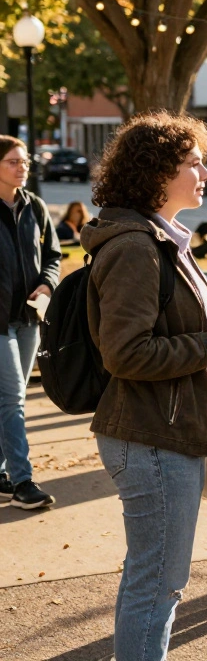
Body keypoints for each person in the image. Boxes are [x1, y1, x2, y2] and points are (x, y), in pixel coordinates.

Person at [82, 112, 207, 660]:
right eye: (193, 163)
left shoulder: (162, 240)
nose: (205, 171)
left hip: (165, 428)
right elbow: (126, 352)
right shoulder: (137, 247)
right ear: (157, 173)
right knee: (157, 584)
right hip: (150, 438)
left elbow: (166, 333)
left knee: (158, 580)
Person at [0, 135, 60, 510]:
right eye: (13, 162)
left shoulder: (34, 206)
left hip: (28, 320)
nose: (23, 167)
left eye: (25, 162)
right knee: (13, 399)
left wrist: (47, 283)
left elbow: (53, 254)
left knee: (8, 400)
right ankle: (22, 481)